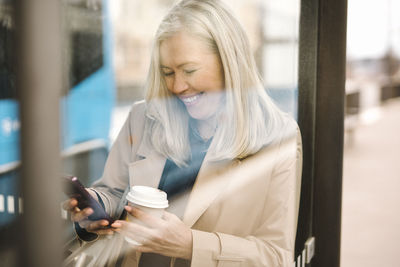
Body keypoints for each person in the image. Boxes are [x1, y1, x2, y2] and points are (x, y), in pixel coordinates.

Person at [64, 0, 302, 266]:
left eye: (189, 70)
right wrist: (95, 206)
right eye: (167, 72)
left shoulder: (279, 136)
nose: (177, 86)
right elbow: (115, 192)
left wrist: (190, 245)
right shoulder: (143, 117)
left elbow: (276, 256)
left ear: (229, 62)